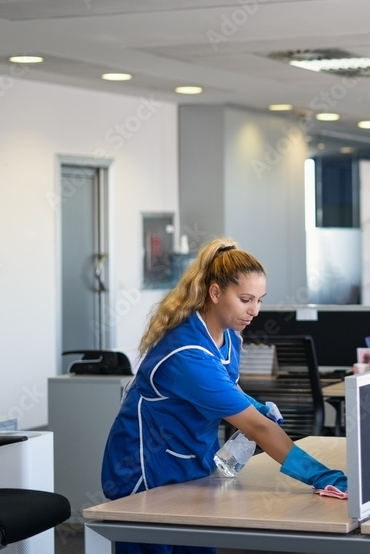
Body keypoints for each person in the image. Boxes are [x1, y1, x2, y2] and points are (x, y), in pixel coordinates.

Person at [101, 237, 346, 554]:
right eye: (246, 299)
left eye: (259, 300)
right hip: (147, 474)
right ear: (215, 292)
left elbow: (225, 386)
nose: (255, 310)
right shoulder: (186, 355)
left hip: (193, 465)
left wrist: (253, 405)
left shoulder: (229, 335)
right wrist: (321, 477)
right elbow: (258, 429)